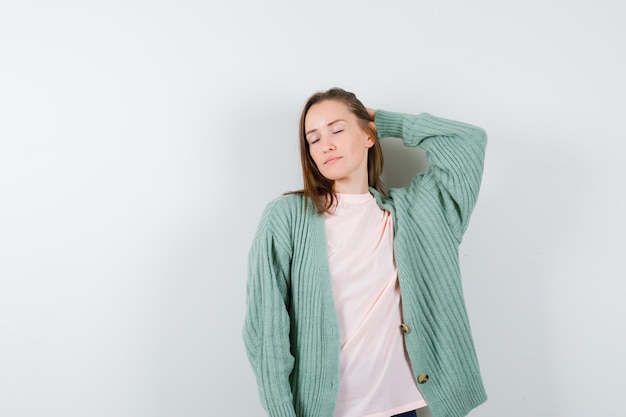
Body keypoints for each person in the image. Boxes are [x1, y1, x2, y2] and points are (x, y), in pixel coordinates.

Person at [242, 87, 488, 417]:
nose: (325, 144)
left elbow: (469, 141)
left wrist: (386, 122)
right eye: (313, 139)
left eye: (337, 129)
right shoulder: (287, 216)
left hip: (401, 407)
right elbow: (265, 331)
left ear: (368, 136)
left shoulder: (414, 213)